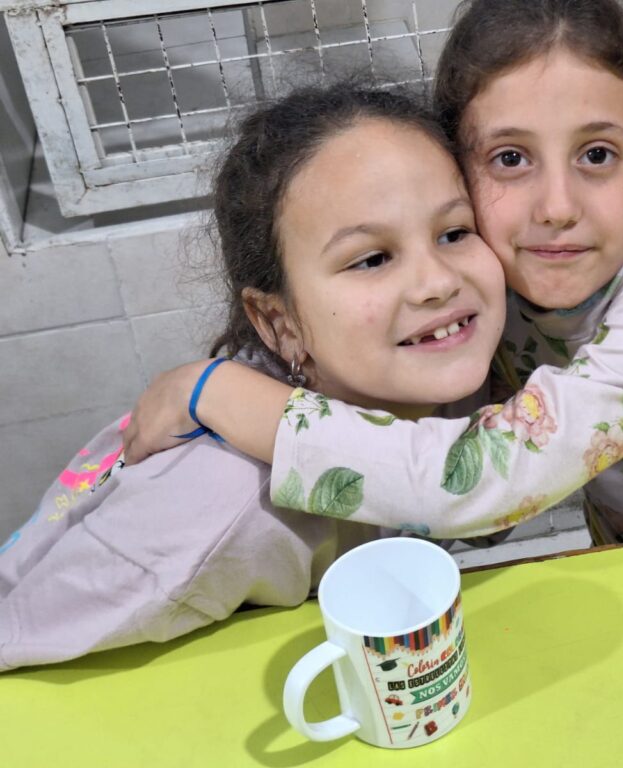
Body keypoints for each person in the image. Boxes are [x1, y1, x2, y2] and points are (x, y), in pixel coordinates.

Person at [125, 0, 623, 546]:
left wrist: (214, 393)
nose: (556, 208)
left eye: (596, 155)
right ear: (459, 175)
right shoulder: (501, 281)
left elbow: (482, 482)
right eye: (510, 159)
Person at [0, 83, 506, 671]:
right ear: (278, 323)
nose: (438, 282)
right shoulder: (221, 506)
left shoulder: (446, 368)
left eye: (454, 232)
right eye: (371, 259)